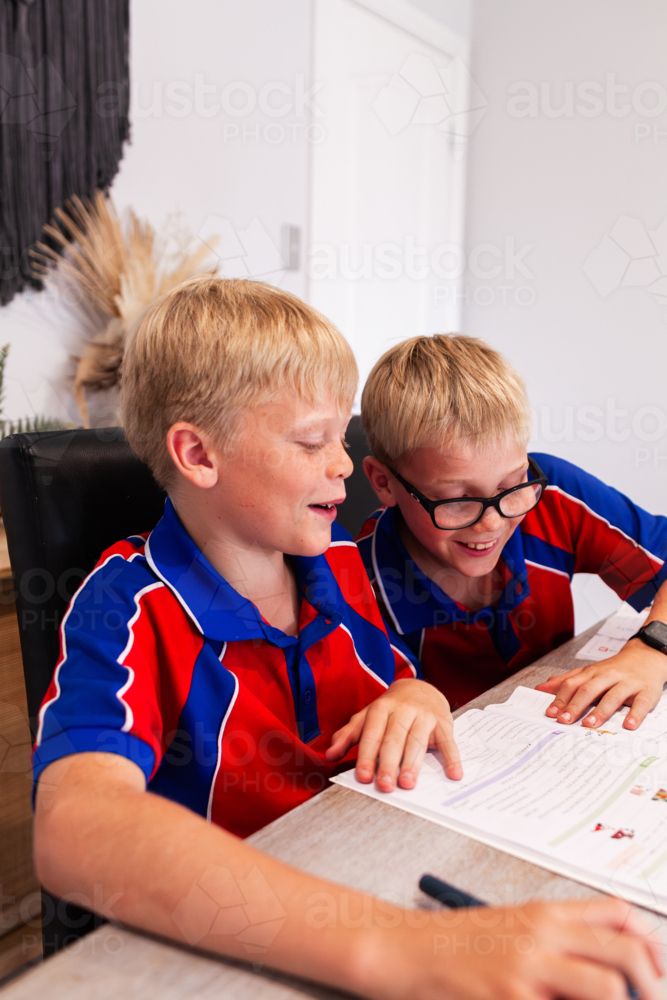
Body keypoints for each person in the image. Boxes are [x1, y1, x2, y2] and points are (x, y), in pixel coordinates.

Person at [33, 281, 663, 1000]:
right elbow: (75, 824)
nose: (340, 464)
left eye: (341, 436)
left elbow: (398, 684)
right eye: (311, 441)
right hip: (239, 947)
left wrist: (416, 693)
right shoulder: (126, 604)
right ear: (198, 455)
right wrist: (398, 948)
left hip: (374, 874)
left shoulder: (332, 567)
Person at [358, 334, 667, 730]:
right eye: (455, 499)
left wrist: (652, 647)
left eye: (512, 485)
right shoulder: (358, 585)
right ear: (384, 483)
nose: (491, 524)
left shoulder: (553, 494)